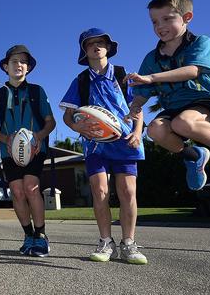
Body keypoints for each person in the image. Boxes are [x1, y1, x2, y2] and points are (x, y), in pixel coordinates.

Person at [125, 0, 210, 190]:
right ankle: (194, 156)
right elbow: (141, 92)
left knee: (183, 123)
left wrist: (152, 77)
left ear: (187, 17)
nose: (160, 26)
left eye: (167, 18)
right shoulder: (151, 59)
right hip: (174, 106)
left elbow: (192, 71)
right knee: (155, 130)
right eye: (154, 21)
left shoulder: (200, 42)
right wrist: (135, 107)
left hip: (204, 100)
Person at [60, 28, 147, 264]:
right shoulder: (80, 81)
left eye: (101, 43)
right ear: (84, 51)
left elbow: (137, 108)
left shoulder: (122, 74)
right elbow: (68, 117)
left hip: (126, 142)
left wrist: (138, 133)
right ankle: (105, 242)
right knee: (100, 192)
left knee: (128, 192)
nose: (96, 46)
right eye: (90, 44)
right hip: (95, 146)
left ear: (108, 48)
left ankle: (129, 243)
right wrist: (77, 128)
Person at [0, 45, 55, 257]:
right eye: (13, 61)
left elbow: (50, 122)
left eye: (22, 62)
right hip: (9, 151)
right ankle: (28, 236)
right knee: (17, 191)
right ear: (5, 66)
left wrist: (38, 136)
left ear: (28, 68)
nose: (18, 65)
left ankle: (41, 236)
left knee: (30, 187)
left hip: (35, 150)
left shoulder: (37, 91)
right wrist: (6, 138)